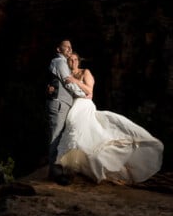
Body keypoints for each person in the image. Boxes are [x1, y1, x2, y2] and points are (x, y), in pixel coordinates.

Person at [56, 54, 163, 184]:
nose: (72, 62)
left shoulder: (85, 72)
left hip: (84, 105)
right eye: (70, 60)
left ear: (78, 61)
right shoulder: (66, 74)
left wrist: (76, 81)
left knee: (77, 132)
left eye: (75, 59)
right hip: (72, 106)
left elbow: (90, 91)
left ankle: (72, 170)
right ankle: (72, 169)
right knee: (74, 134)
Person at [46, 40, 85, 184]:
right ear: (58, 49)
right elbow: (68, 82)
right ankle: (55, 174)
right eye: (66, 46)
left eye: (71, 46)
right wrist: (83, 93)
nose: (69, 48)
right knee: (55, 137)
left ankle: (58, 170)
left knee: (60, 137)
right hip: (59, 104)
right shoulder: (60, 62)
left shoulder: (64, 64)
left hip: (63, 104)